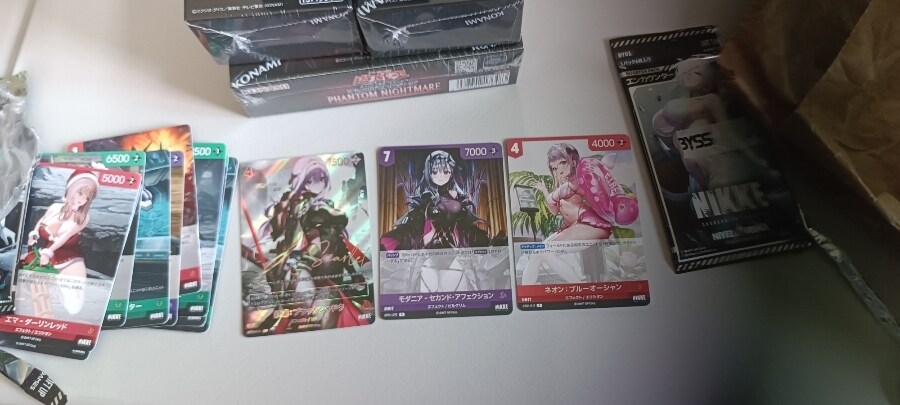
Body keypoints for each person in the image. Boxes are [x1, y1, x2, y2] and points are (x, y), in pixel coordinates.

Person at [258, 156, 370, 330]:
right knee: (301, 310)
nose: (316, 183)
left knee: (323, 313)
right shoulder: (295, 207)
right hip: (302, 270)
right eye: (310, 179)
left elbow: (339, 236)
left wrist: (353, 273)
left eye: (320, 178)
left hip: (328, 276)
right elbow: (282, 231)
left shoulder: (325, 212)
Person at [523, 143, 638, 285]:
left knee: (544, 250)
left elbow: (585, 188)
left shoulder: (578, 179)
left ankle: (580, 287)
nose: (558, 169)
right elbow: (555, 210)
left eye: (562, 163)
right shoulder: (566, 184)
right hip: (578, 225)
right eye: (554, 167)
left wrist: (553, 195)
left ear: (572, 161)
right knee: (536, 254)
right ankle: (526, 292)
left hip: (591, 224)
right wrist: (545, 191)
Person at [380, 150, 491, 292]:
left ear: (451, 172)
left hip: (456, 252)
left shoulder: (458, 201)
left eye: (445, 171)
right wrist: (394, 239)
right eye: (435, 171)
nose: (440, 176)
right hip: (426, 253)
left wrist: (483, 240)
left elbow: (466, 228)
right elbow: (412, 226)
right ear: (429, 173)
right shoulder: (424, 202)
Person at [20, 168, 98, 317]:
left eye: (87, 197)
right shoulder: (55, 207)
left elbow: (64, 237)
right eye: (80, 193)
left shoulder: (83, 217)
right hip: (41, 256)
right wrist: (34, 234)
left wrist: (48, 252)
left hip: (68, 259)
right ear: (71, 189)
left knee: (74, 307)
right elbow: (40, 223)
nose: (82, 199)